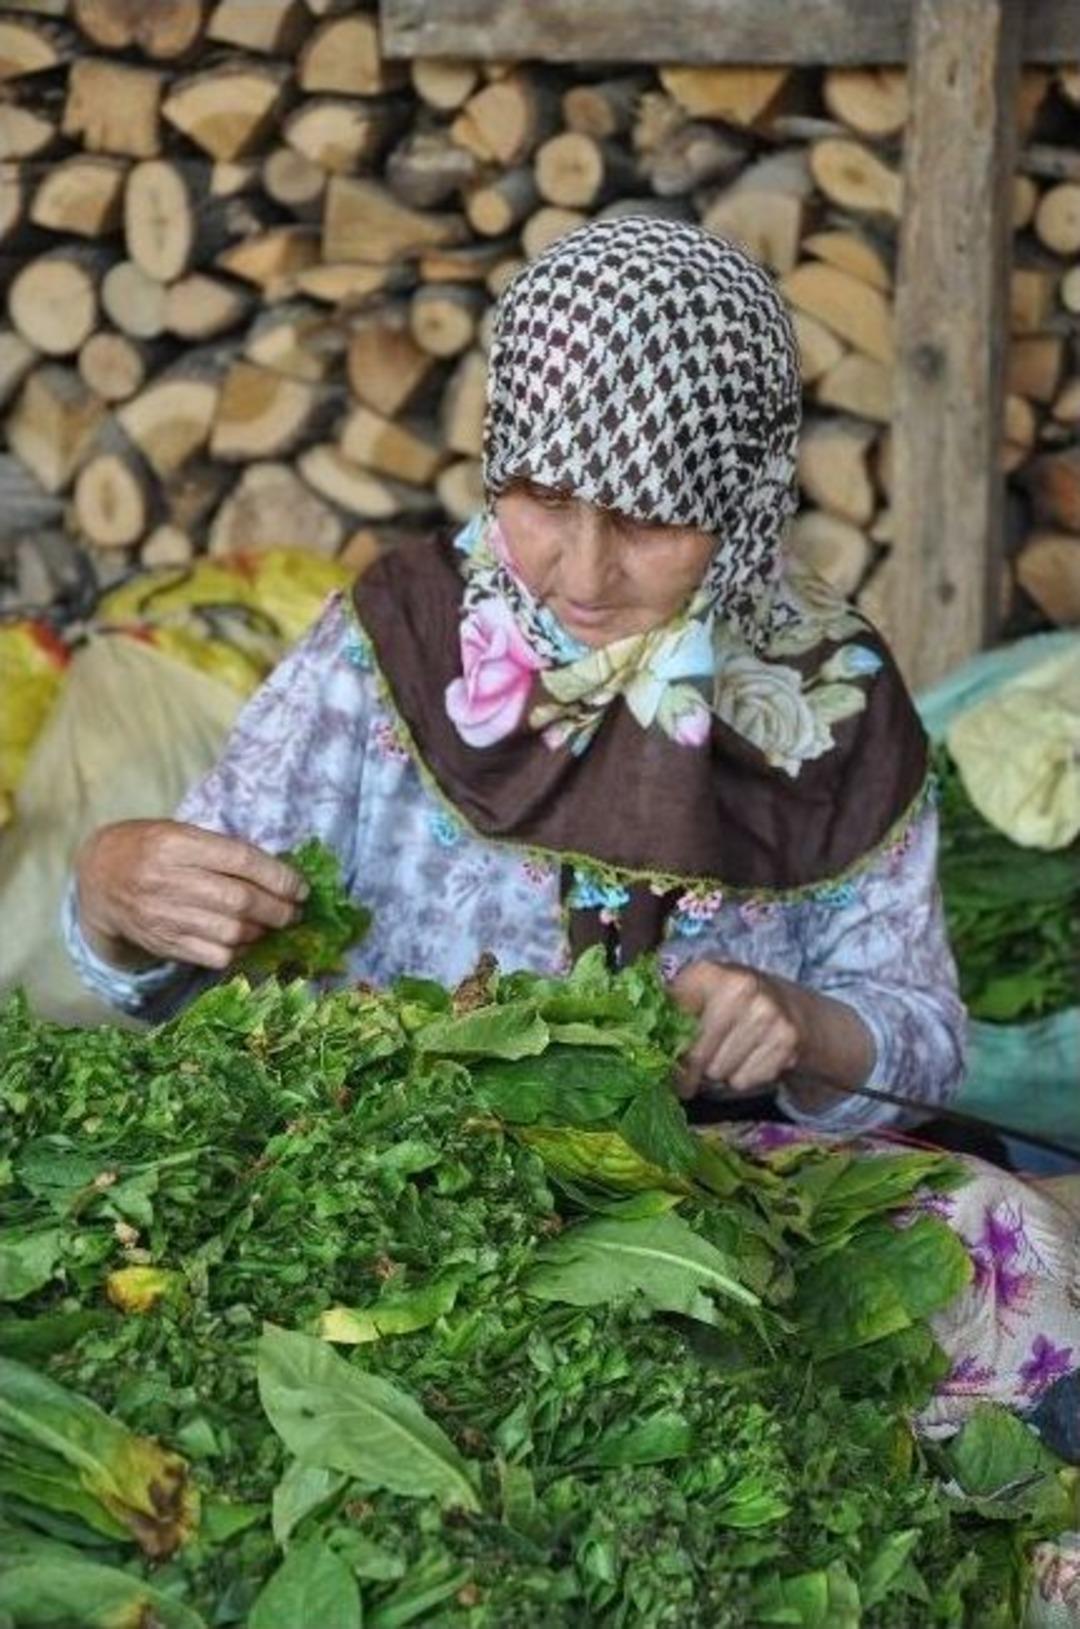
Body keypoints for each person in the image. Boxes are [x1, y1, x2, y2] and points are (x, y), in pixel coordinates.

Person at [68, 215, 966, 1135]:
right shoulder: (397, 638)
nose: (582, 575)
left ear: (745, 498)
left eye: (649, 522)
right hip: (392, 1163)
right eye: (544, 498)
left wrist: (810, 1025)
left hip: (711, 1204)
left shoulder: (832, 691)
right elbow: (178, 960)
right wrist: (109, 892)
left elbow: (927, 1040)